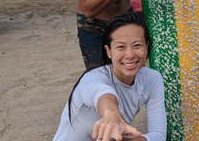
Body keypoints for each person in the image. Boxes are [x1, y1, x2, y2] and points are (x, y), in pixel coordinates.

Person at [53, 12, 167, 141]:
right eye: (121, 47)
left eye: (137, 45)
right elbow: (101, 92)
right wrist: (111, 114)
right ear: (109, 51)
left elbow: (158, 135)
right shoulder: (93, 78)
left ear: (146, 47)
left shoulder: (152, 78)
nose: (130, 55)